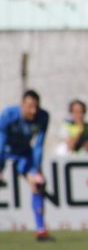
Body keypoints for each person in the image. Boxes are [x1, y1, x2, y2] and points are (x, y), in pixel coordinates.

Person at [0, 90, 52, 242]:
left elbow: (39, 145)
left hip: (23, 152)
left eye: (36, 106)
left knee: (37, 185)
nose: (33, 111)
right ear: (22, 105)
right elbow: (0, 141)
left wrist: (37, 169)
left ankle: (41, 231)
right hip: (3, 150)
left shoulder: (43, 117)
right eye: (30, 106)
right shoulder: (9, 115)